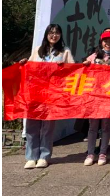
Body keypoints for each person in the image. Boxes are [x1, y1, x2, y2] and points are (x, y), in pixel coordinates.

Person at [20, 24, 75, 169]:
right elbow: (29, 67)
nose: (54, 35)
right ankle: (31, 157)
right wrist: (24, 64)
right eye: (51, 33)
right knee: (31, 125)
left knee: (47, 127)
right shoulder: (38, 50)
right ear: (46, 34)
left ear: (60, 35)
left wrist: (63, 68)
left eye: (57, 33)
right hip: (35, 93)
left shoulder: (64, 51)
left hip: (52, 94)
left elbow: (73, 70)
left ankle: (44, 157)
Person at [82, 30, 110, 166]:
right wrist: (85, 65)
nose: (108, 43)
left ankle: (102, 153)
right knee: (93, 126)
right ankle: (90, 153)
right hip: (94, 96)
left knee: (106, 126)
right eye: (105, 41)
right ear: (101, 42)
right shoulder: (94, 56)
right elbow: (84, 68)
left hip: (109, 97)